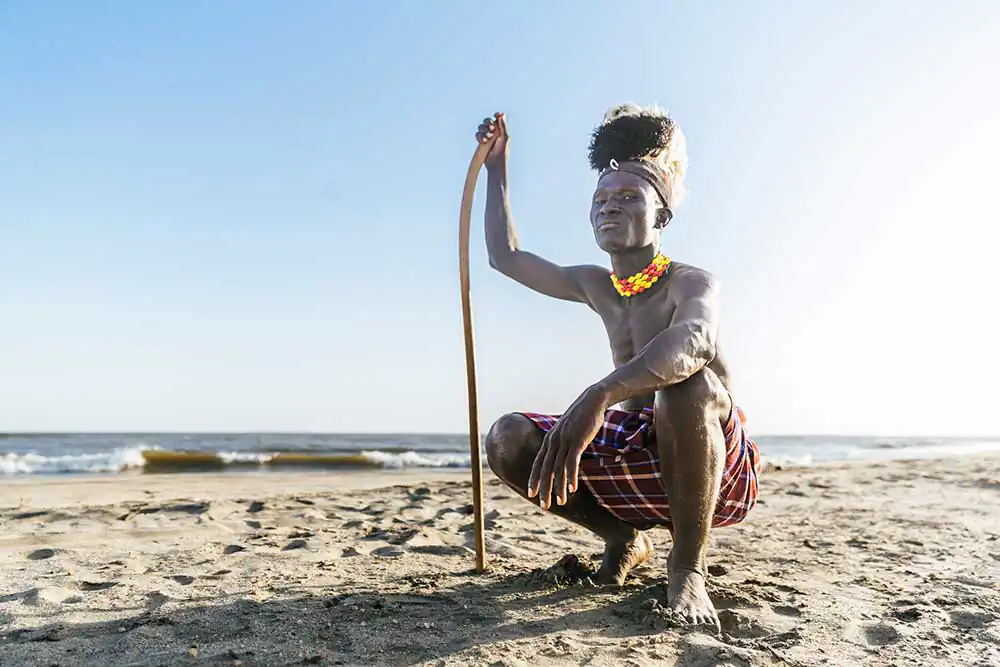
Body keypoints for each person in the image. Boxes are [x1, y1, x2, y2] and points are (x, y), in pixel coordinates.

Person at [476, 104, 761, 631]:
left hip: (713, 469)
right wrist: (498, 168)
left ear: (662, 216)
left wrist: (598, 395)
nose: (611, 206)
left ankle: (687, 566)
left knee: (683, 386)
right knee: (506, 437)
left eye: (629, 197)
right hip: (634, 463)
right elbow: (505, 256)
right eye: (601, 200)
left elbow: (694, 342)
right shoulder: (596, 285)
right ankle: (622, 538)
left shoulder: (691, 282)